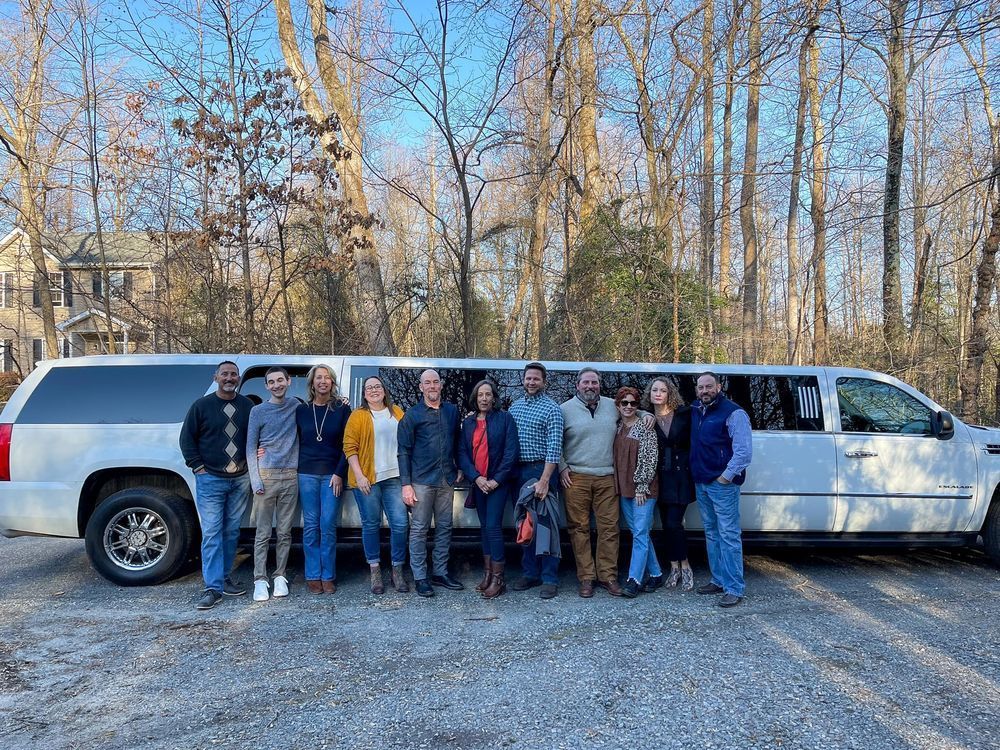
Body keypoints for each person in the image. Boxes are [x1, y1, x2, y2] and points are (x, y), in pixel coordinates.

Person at [179, 361, 254, 610]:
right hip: (210, 478)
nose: (229, 378)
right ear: (216, 377)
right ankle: (212, 587)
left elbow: (256, 436)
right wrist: (197, 466)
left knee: (232, 531)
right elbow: (187, 438)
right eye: (225, 374)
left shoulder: (247, 406)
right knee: (212, 532)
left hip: (240, 478)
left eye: (233, 374)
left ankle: (223, 578)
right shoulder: (201, 406)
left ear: (239, 378)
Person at [397, 369, 463, 597]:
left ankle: (440, 572)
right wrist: (406, 484)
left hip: (447, 479)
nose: (432, 386)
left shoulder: (452, 412)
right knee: (419, 530)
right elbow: (403, 452)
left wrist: (460, 466)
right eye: (428, 383)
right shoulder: (412, 415)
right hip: (421, 481)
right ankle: (420, 577)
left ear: (441, 385)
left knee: (445, 528)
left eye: (436, 382)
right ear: (421, 387)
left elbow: (458, 443)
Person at [559, 367, 623, 597]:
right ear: (577, 385)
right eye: (585, 382)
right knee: (579, 529)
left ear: (599, 384)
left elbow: (634, 411)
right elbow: (554, 441)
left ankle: (608, 576)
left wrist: (648, 416)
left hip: (608, 476)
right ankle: (586, 577)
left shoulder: (613, 405)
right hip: (576, 477)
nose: (590, 386)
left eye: (594, 382)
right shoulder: (564, 409)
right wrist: (561, 466)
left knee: (609, 529)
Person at [690, 372, 753, 608]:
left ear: (719, 386)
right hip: (702, 482)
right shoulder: (697, 409)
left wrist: (725, 478)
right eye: (700, 387)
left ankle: (734, 587)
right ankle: (718, 580)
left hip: (721, 484)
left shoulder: (734, 413)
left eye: (708, 386)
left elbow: (744, 452)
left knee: (728, 534)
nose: (704, 391)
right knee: (711, 532)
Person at [344, 375, 409, 594]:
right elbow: (349, 448)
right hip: (367, 480)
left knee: (400, 524)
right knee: (370, 525)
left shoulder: (397, 412)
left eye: (378, 386)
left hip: (395, 478)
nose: (374, 390)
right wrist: (360, 476)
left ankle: (397, 570)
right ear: (364, 394)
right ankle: (375, 571)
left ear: (384, 390)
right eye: (369, 388)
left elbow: (409, 440)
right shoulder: (358, 416)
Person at [458, 379, 519, 599]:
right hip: (478, 483)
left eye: (488, 394)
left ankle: (498, 579)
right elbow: (462, 453)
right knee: (484, 527)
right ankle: (487, 573)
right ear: (475, 398)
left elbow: (511, 453)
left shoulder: (505, 419)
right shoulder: (469, 423)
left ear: (494, 397)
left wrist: (495, 480)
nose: (484, 398)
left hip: (497, 484)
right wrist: (476, 478)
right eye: (480, 395)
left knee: (493, 527)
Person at [508, 362, 564, 599]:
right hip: (517, 472)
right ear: (523, 380)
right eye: (528, 378)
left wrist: (544, 480)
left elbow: (554, 447)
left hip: (541, 471)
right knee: (524, 525)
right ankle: (530, 573)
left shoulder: (552, 409)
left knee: (546, 527)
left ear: (544, 381)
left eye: (536, 379)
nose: (531, 382)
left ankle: (549, 578)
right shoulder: (515, 407)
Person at [246, 366, 300, 602]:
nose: (276, 385)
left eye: (281, 380)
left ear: (288, 382)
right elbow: (250, 446)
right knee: (263, 533)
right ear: (266, 386)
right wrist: (255, 479)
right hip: (266, 477)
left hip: (290, 476)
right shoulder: (258, 411)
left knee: (286, 532)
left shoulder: (297, 407)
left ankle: (280, 576)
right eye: (271, 382)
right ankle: (260, 579)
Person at [295, 364, 349, 595]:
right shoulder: (301, 410)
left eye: (327, 378)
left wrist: (339, 473)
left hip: (332, 475)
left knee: (327, 525)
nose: (323, 381)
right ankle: (312, 575)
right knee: (311, 526)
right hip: (305, 473)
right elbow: (289, 439)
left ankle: (328, 575)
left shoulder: (342, 410)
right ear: (312, 383)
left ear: (333, 382)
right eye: (319, 378)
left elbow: (349, 446)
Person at [645, 376, 695, 591]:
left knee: (675, 523)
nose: (658, 393)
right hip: (659, 479)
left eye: (662, 390)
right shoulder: (645, 417)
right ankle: (674, 567)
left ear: (669, 394)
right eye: (654, 390)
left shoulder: (685, 414)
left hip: (682, 478)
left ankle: (685, 566)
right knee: (666, 525)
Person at [613, 387, 661, 598]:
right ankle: (657, 573)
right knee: (639, 533)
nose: (629, 407)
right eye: (625, 403)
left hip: (644, 490)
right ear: (618, 405)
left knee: (640, 534)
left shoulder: (646, 427)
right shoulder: (617, 427)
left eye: (633, 403)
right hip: (624, 488)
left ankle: (634, 579)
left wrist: (642, 486)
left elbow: (650, 459)